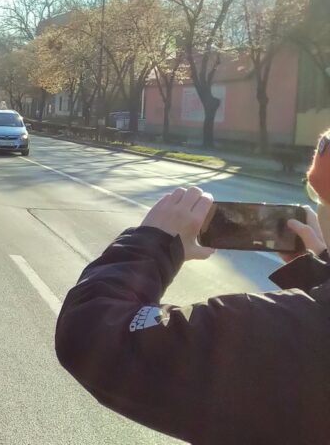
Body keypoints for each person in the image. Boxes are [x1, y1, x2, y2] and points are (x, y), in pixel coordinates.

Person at [55, 180, 330, 444]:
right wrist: (321, 275)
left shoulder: (267, 331)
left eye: (320, 197)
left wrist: (152, 242)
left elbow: (89, 328)